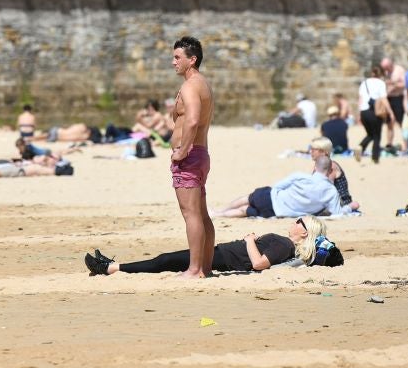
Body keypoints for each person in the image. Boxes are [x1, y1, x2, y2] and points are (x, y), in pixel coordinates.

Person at [85, 217, 340, 275]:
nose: (294, 221)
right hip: (221, 254)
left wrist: (250, 241)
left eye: (299, 221)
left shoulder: (284, 243)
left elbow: (259, 264)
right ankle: (112, 266)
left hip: (224, 258)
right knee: (168, 260)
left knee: (166, 260)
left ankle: (110, 268)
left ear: (304, 231)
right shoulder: (283, 244)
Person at [169, 35, 215, 279]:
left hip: (190, 155)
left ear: (192, 59)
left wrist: (182, 150)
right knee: (201, 213)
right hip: (200, 154)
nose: (173, 62)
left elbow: (194, 120)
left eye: (178, 57)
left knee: (191, 214)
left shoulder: (190, 85)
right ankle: (205, 268)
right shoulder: (202, 84)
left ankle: (195, 269)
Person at [213, 158, 360, 219]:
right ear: (330, 172)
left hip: (272, 197)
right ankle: (221, 215)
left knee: (247, 198)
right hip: (277, 212)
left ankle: (219, 212)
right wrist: (350, 207)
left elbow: (278, 186)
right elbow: (337, 213)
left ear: (315, 167)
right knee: (245, 211)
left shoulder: (301, 176)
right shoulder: (331, 192)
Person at [355, 64, 392, 164]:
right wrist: (390, 112)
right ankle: (375, 158)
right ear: (381, 74)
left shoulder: (364, 83)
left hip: (364, 112)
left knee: (370, 134)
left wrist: (358, 114)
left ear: (372, 73)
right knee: (376, 136)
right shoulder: (381, 83)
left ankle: (361, 146)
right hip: (375, 112)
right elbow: (384, 99)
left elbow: (360, 99)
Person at [381, 56, 406, 150]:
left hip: (398, 98)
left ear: (390, 65)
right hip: (388, 99)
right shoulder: (386, 72)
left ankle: (406, 144)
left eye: (386, 67)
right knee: (389, 123)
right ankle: (389, 143)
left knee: (401, 122)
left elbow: (405, 84)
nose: (386, 70)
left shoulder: (400, 70)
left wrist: (393, 84)